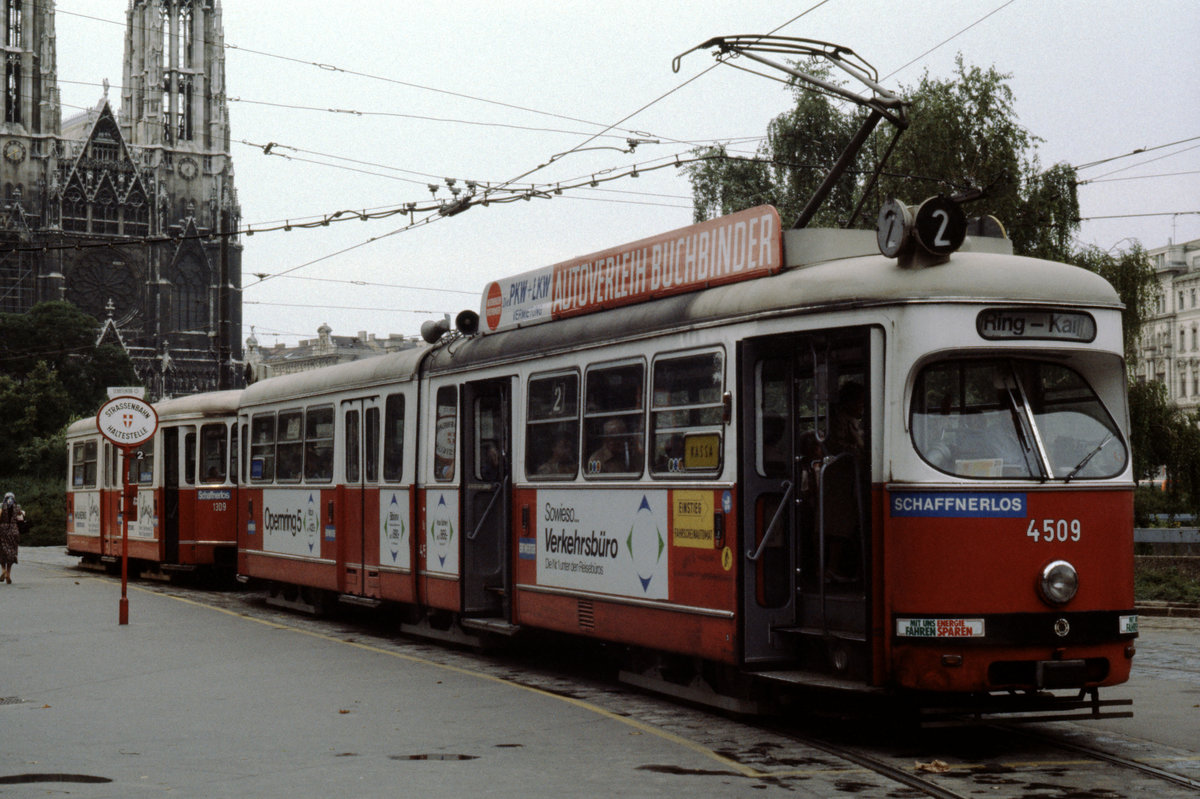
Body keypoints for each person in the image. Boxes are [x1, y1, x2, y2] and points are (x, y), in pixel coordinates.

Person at [0, 492, 24, 585]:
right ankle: (8, 575)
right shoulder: (17, 508)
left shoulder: (1, 507)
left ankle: (3, 570)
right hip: (14, 531)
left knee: (2, 552)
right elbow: (21, 519)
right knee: (11, 552)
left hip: (3, 531)